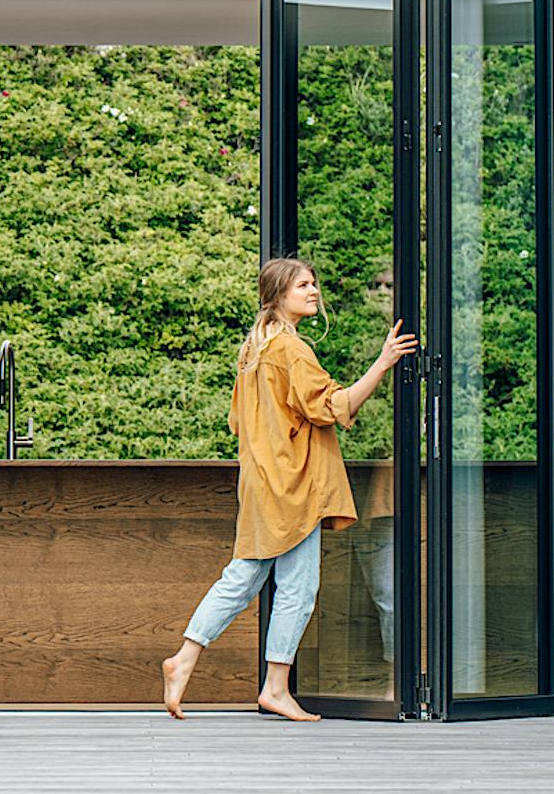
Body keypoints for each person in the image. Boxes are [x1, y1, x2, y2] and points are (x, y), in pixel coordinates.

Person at [161, 257, 415, 721]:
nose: (314, 291)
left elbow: (239, 422)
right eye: (303, 285)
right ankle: (255, 681)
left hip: (263, 485)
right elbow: (334, 406)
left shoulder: (254, 351)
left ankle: (198, 662)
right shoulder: (292, 351)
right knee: (289, 586)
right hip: (293, 488)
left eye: (314, 283)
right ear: (279, 297)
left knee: (247, 579)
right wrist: (383, 363)